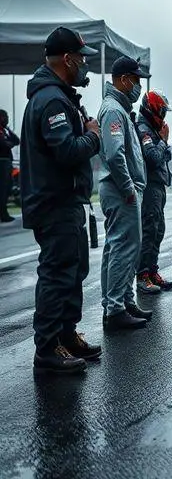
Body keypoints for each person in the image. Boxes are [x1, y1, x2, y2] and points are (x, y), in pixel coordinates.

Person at [20, 26, 102, 373]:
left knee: (74, 269)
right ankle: (47, 349)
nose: (85, 65)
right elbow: (67, 150)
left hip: (66, 201)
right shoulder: (51, 99)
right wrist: (94, 137)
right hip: (54, 202)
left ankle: (66, 336)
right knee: (57, 274)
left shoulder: (61, 95)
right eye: (81, 59)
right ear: (67, 59)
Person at [98, 56, 151, 331]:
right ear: (123, 80)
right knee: (123, 248)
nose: (138, 86)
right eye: (136, 80)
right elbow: (115, 154)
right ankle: (116, 309)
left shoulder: (119, 108)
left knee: (122, 248)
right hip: (121, 191)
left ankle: (122, 302)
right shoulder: (113, 111)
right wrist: (129, 187)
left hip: (122, 189)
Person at [135, 89, 172, 292]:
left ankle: (151, 270)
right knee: (149, 230)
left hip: (158, 184)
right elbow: (153, 158)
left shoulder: (153, 129)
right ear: (153, 108)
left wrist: (162, 144)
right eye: (162, 111)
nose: (164, 115)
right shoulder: (144, 128)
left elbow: (164, 157)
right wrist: (163, 141)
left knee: (158, 230)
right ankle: (142, 275)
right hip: (150, 185)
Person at [0, 109, 20, 222]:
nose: (6, 119)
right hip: (2, 162)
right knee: (3, 189)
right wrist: (9, 144)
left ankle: (3, 212)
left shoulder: (4, 131)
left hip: (6, 163)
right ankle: (3, 214)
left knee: (7, 188)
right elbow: (3, 145)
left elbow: (16, 140)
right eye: (4, 117)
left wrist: (8, 129)